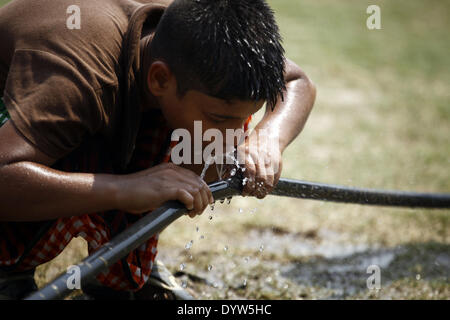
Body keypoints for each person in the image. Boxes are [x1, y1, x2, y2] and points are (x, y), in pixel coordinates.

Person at [0, 0, 316, 299]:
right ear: (160, 78)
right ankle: (10, 266)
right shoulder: (80, 80)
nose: (233, 141)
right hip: (17, 135)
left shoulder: (204, 43)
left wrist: (267, 139)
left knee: (202, 136)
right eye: (219, 118)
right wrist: (125, 189)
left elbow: (296, 80)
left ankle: (119, 257)